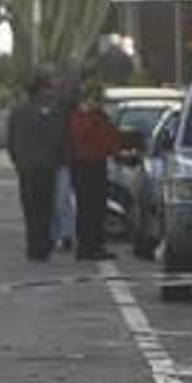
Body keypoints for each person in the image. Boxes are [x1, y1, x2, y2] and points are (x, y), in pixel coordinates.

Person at [7, 72, 68, 262]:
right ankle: (42, 245)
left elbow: (11, 142)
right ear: (43, 89)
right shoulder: (52, 111)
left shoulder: (17, 112)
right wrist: (58, 160)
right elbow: (59, 138)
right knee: (45, 207)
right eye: (49, 87)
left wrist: (18, 162)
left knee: (30, 208)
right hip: (46, 166)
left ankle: (34, 246)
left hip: (27, 167)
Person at [67, 82, 121, 261]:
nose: (99, 102)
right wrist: (90, 113)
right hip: (86, 164)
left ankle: (94, 245)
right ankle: (87, 247)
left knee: (96, 208)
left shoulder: (97, 116)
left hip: (97, 162)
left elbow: (110, 137)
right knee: (88, 208)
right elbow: (80, 135)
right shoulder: (81, 116)